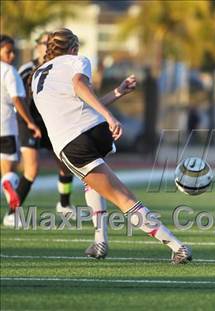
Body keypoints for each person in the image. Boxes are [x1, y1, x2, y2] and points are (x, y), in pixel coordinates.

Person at [31, 28, 191, 263]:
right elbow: (81, 91)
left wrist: (109, 114)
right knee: (93, 182)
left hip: (71, 142)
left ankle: (177, 247)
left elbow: (77, 88)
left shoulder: (36, 75)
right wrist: (114, 101)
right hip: (95, 131)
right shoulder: (77, 60)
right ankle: (99, 242)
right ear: (73, 47)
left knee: (122, 198)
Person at [17, 31, 76, 218]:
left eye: (52, 42)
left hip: (52, 124)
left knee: (67, 164)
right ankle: (12, 211)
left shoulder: (60, 68)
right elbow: (18, 99)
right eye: (46, 42)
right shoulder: (27, 70)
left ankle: (64, 204)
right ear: (37, 46)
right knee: (32, 170)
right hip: (30, 124)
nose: (49, 45)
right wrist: (29, 122)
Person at [1, 34, 42, 227]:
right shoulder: (9, 72)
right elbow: (18, 99)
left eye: (13, 52)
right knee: (10, 170)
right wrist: (30, 123)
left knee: (5, 169)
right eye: (8, 51)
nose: (11, 55)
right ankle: (8, 188)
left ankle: (8, 190)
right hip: (6, 126)